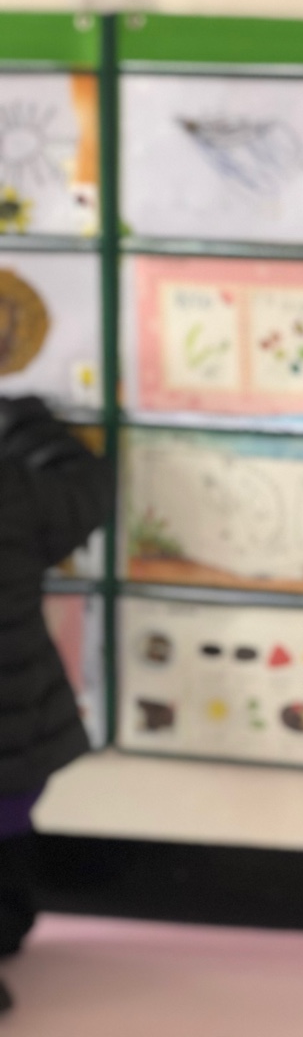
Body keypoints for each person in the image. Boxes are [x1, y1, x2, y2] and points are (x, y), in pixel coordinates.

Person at [0, 395, 111, 1010]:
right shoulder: (14, 485)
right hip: (13, 726)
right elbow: (84, 494)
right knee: (9, 830)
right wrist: (21, 420)